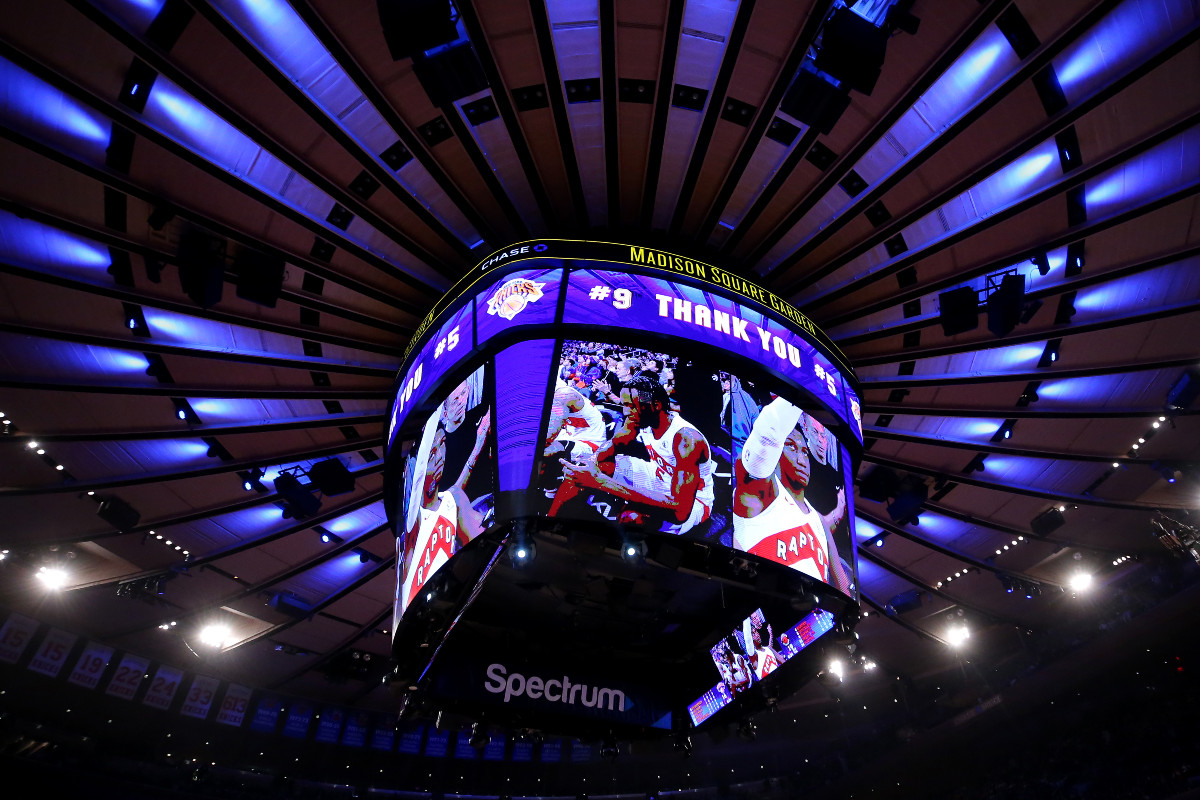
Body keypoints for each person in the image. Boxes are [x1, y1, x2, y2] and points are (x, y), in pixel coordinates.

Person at [550, 373, 714, 534]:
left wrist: (601, 481)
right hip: (658, 474)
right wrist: (592, 463)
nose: (626, 412)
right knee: (583, 468)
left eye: (631, 406)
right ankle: (550, 521)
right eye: (625, 405)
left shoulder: (687, 439)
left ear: (655, 405)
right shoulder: (640, 415)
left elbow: (680, 511)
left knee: (632, 517)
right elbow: (613, 445)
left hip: (692, 501)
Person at [732, 396, 851, 593]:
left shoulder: (817, 519)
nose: (802, 458)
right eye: (792, 447)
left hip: (809, 613)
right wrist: (800, 388)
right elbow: (768, 434)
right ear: (777, 451)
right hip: (764, 609)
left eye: (805, 452)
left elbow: (842, 584)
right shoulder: (762, 496)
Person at [400, 406, 491, 608]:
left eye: (442, 444)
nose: (440, 455)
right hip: (423, 610)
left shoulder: (453, 500)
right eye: (432, 453)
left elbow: (482, 540)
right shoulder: (412, 525)